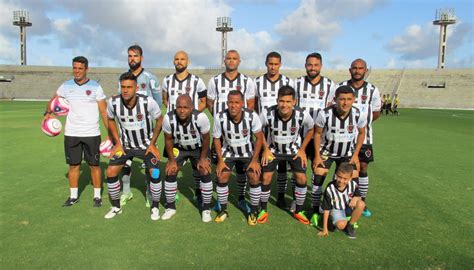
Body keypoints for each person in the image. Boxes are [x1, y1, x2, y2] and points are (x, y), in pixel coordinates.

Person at [43, 56, 108, 207]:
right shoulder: (65, 86)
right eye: (74, 68)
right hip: (71, 133)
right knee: (73, 165)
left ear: (86, 69)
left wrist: (110, 132)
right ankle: (73, 196)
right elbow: (53, 101)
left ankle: (97, 196)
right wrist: (47, 113)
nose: (77, 71)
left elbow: (104, 111)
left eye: (80, 68)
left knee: (94, 165)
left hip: (92, 133)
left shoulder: (95, 87)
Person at [103, 72, 163, 220]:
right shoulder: (114, 102)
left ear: (136, 88)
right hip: (125, 146)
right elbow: (110, 120)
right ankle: (116, 207)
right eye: (123, 87)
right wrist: (117, 143)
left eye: (129, 87)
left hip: (146, 146)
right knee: (110, 171)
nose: (125, 90)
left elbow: (159, 120)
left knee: (155, 173)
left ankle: (155, 206)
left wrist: (153, 143)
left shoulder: (147, 102)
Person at [207, 50, 256, 213]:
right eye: (229, 58)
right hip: (222, 131)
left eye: (234, 58)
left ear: (239, 61)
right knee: (220, 166)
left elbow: (250, 104)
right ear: (224, 61)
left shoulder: (247, 81)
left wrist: (239, 122)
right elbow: (209, 103)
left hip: (241, 129)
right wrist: (223, 120)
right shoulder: (215, 80)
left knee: (242, 166)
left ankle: (241, 198)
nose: (231, 61)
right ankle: (221, 201)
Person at [311, 85, 367, 226]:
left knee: (353, 180)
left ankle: (347, 213)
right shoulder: (325, 114)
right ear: (335, 99)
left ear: (353, 99)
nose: (345, 102)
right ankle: (315, 211)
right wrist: (317, 155)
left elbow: (361, 133)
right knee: (318, 178)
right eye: (342, 99)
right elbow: (317, 134)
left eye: (349, 99)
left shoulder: (358, 114)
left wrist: (355, 155)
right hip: (327, 152)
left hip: (347, 153)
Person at [260, 86, 314, 224]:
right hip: (273, 150)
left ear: (294, 102)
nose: (284, 105)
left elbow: (312, 129)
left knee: (301, 177)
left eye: (288, 101)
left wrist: (302, 149)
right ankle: (263, 210)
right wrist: (265, 149)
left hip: (294, 151)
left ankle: (299, 211)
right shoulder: (267, 113)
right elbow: (257, 130)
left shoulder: (302, 114)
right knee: (266, 177)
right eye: (281, 101)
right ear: (277, 100)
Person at [162, 51, 207, 204]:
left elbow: (203, 101)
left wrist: (193, 117)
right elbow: (165, 100)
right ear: (173, 61)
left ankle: (198, 191)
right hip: (174, 129)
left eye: (182, 59)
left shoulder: (197, 81)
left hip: (192, 127)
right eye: (177, 59)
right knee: (172, 163)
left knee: (197, 165)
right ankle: (172, 193)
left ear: (188, 61)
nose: (179, 62)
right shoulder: (167, 80)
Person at [213, 90, 264, 225]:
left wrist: (254, 160)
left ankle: (253, 211)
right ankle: (223, 210)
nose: (233, 105)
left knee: (254, 175)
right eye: (230, 102)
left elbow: (259, 138)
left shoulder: (252, 116)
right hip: (228, 152)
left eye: (236, 102)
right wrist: (219, 160)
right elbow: (217, 139)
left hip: (247, 153)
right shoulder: (220, 117)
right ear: (227, 103)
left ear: (242, 103)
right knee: (222, 175)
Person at [119, 45, 162, 208]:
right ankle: (126, 191)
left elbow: (157, 103)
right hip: (127, 132)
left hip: (146, 132)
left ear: (141, 58)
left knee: (148, 163)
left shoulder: (150, 78)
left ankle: (150, 192)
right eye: (129, 56)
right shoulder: (123, 78)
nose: (132, 59)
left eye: (135, 56)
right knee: (125, 163)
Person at [294, 52, 337, 213]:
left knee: (317, 168)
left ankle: (315, 203)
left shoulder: (330, 85)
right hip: (300, 134)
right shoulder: (297, 83)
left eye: (315, 65)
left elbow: (331, 109)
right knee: (299, 168)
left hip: (320, 135)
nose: (312, 68)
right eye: (309, 65)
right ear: (305, 65)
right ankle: (297, 201)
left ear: (321, 66)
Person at [339, 59, 381, 217]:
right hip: (344, 137)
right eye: (354, 68)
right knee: (343, 169)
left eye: (360, 68)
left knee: (363, 168)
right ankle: (342, 199)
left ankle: (361, 202)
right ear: (350, 70)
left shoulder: (372, 90)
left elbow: (376, 113)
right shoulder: (341, 86)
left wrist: (362, 124)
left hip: (365, 138)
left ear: (365, 70)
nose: (357, 71)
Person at [162, 95, 213, 222]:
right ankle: (170, 207)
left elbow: (206, 138)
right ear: (175, 107)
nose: (182, 110)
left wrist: (202, 158)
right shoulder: (168, 118)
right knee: (170, 170)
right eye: (179, 107)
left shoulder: (200, 117)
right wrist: (172, 160)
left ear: (191, 108)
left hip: (198, 148)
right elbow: (168, 139)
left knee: (204, 170)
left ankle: (206, 209)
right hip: (179, 148)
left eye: (185, 107)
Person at [254, 51, 294, 208]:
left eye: (276, 64)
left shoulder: (287, 81)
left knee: (282, 165)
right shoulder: (257, 82)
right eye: (270, 64)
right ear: (266, 64)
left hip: (283, 130)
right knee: (264, 163)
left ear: (280, 64)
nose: (273, 67)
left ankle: (281, 196)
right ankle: (260, 196)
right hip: (264, 129)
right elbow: (254, 104)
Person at [318, 162, 365, 239]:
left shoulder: (353, 184)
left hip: (347, 208)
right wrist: (324, 229)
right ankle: (333, 221)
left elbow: (359, 195)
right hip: (336, 209)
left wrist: (356, 197)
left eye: (345, 178)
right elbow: (326, 209)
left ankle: (350, 225)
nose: (341, 180)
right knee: (341, 225)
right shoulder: (330, 188)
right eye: (339, 177)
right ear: (336, 174)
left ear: (350, 178)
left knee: (361, 204)